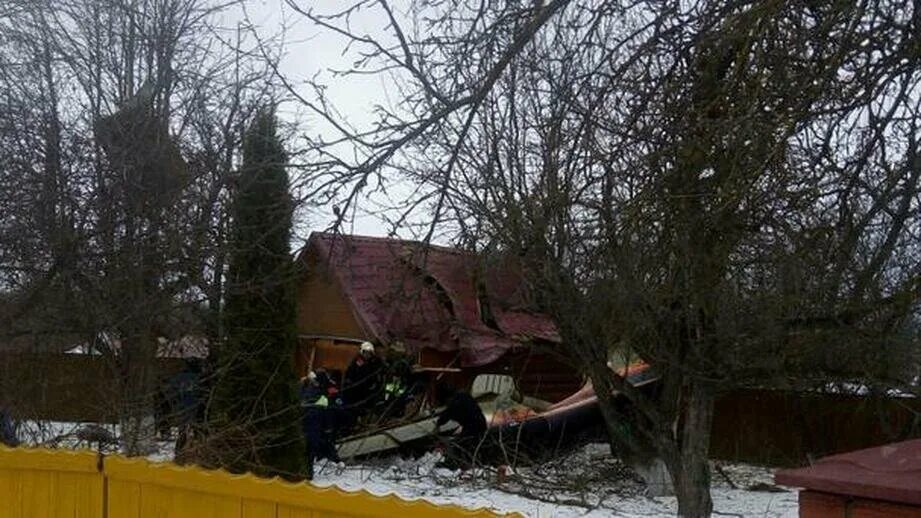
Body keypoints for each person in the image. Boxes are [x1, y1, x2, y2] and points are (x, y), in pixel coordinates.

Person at [434, 383, 488, 469]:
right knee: (472, 445)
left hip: (473, 426)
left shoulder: (455, 402)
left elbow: (447, 414)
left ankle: (454, 464)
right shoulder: (463, 396)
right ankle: (473, 462)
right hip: (479, 423)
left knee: (459, 445)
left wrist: (438, 424)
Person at [301, 372, 339, 480]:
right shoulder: (322, 398)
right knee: (309, 454)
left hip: (304, 428)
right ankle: (307, 476)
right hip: (313, 428)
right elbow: (326, 420)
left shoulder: (305, 390)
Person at [343, 342, 385, 417]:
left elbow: (374, 375)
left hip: (366, 390)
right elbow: (351, 374)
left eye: (369, 353)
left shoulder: (373, 363)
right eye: (366, 353)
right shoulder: (357, 362)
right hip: (356, 390)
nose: (367, 355)